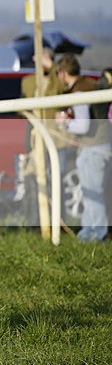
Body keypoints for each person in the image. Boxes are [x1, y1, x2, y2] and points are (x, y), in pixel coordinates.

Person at [55, 54, 111, 242]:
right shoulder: (89, 85)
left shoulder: (79, 92)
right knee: (91, 192)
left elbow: (83, 125)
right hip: (99, 144)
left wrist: (64, 123)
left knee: (93, 193)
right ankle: (88, 232)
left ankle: (96, 234)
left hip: (95, 146)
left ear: (63, 73)